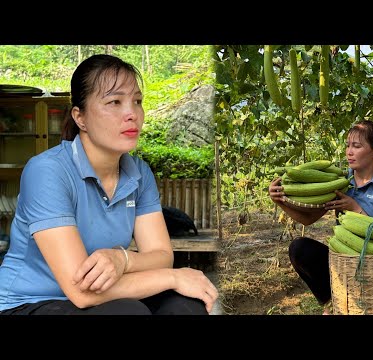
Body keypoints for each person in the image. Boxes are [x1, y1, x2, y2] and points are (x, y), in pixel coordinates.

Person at [0, 54, 218, 315]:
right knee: (128, 312)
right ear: (80, 118)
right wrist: (174, 277)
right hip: (30, 302)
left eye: (137, 101)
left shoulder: (138, 173)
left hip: (105, 293)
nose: (132, 114)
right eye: (114, 102)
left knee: (185, 306)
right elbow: (81, 292)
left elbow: (161, 254)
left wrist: (121, 259)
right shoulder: (47, 171)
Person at [268, 120, 373, 314]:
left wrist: (355, 207)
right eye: (348, 145)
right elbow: (308, 220)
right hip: (343, 259)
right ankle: (334, 300)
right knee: (300, 249)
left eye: (356, 146)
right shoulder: (341, 181)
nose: (349, 152)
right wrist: (280, 200)